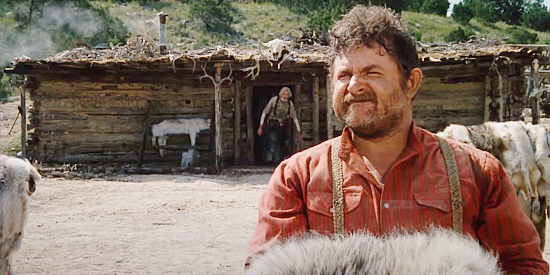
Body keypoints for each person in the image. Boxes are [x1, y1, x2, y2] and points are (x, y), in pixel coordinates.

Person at [247, 5, 549, 274]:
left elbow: (525, 266)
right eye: (343, 75)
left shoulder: (480, 172)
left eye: (372, 72)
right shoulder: (295, 178)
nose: (354, 85)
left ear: (411, 83)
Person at [257, 87, 303, 164]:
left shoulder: (289, 104)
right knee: (272, 141)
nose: (285, 96)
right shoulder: (274, 100)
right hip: (273, 123)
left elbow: (294, 118)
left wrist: (299, 132)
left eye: (287, 95)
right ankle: (269, 160)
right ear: (280, 94)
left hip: (284, 125)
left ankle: (281, 160)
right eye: (284, 94)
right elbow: (265, 112)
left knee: (285, 142)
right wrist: (260, 126)